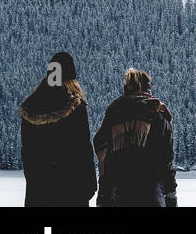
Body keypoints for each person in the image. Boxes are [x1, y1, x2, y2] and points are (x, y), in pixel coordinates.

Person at [19, 51, 97, 208]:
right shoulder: (74, 105)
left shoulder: (30, 107)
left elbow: (27, 154)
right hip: (71, 191)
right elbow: (82, 149)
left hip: (38, 193)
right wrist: (89, 186)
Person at [93, 68, 177, 208]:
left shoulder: (114, 111)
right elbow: (166, 158)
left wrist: (103, 193)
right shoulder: (157, 112)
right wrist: (171, 195)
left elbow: (102, 149)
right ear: (147, 88)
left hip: (116, 190)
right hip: (151, 192)